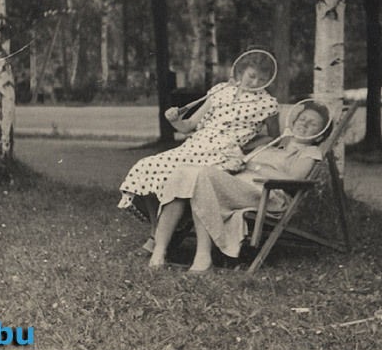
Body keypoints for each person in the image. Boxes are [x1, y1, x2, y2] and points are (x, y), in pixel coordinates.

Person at [118, 52, 279, 251]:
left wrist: (249, 145)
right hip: (195, 145)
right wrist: (175, 120)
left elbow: (274, 138)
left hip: (222, 154)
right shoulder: (221, 90)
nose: (255, 83)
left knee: (182, 177)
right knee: (146, 167)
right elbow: (189, 125)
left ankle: (159, 240)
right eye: (251, 76)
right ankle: (156, 232)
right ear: (241, 71)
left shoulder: (268, 104)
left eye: (262, 80)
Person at [149, 102, 332, 272]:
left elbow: (294, 179)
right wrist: (235, 164)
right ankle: (160, 249)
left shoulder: (310, 152)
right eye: (302, 119)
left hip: (268, 196)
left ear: (321, 134)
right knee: (184, 172)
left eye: (313, 124)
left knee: (202, 176)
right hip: (239, 188)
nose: (305, 124)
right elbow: (244, 163)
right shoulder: (273, 144)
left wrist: (256, 167)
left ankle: (203, 256)